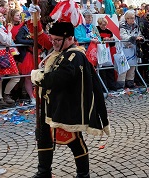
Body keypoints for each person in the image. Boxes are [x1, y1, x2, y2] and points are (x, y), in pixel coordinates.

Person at [30, 21, 110, 178]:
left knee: (74, 141)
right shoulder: (61, 52)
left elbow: (60, 78)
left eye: (57, 40)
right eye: (52, 39)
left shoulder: (75, 55)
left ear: (69, 38)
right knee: (44, 137)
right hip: (52, 105)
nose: (54, 43)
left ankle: (83, 174)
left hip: (66, 107)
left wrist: (39, 77)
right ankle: (44, 172)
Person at [118, 10, 144, 89]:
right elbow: (123, 36)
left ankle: (130, 82)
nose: (133, 20)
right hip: (124, 48)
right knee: (123, 66)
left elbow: (139, 34)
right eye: (131, 18)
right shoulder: (122, 26)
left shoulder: (136, 26)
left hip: (133, 48)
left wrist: (140, 38)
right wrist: (134, 38)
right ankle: (121, 83)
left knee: (132, 66)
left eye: (134, 18)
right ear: (127, 19)